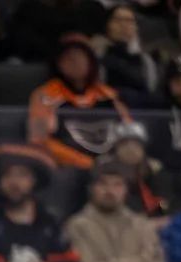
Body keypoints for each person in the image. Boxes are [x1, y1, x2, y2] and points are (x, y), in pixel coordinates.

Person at [28, 36, 131, 171]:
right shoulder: (43, 96)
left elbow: (130, 131)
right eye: (69, 58)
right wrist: (87, 164)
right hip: (67, 168)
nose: (76, 62)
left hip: (113, 167)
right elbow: (38, 139)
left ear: (91, 62)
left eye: (81, 57)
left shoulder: (108, 94)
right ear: (58, 63)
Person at [64, 163, 166, 262]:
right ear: (91, 189)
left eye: (117, 185)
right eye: (103, 184)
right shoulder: (77, 225)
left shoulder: (141, 224)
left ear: (126, 190)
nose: (110, 191)